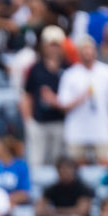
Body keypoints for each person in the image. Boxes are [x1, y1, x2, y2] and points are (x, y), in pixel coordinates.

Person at [57, 35, 108, 164]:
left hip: (102, 129)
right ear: (79, 52)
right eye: (84, 49)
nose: (88, 52)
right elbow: (63, 105)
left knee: (105, 165)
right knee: (77, 167)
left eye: (90, 48)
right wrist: (81, 97)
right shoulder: (70, 74)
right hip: (76, 131)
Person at [21, 25, 69, 168]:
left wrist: (55, 101)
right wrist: (28, 121)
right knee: (36, 163)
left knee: (57, 163)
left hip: (61, 122)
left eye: (56, 45)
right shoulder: (35, 68)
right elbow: (27, 95)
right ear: (43, 47)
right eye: (50, 45)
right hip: (39, 122)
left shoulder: (69, 68)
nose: (53, 49)